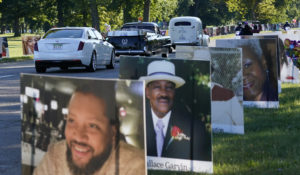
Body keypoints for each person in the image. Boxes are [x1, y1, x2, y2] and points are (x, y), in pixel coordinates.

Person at [34, 85, 145, 175]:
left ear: (113, 132)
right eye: (72, 120)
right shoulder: (55, 155)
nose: (78, 136)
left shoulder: (136, 167)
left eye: (92, 126)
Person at [139, 60, 208, 160]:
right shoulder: (135, 123)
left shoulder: (194, 127)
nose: (164, 93)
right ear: (147, 92)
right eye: (157, 87)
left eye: (169, 87)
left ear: (174, 92)